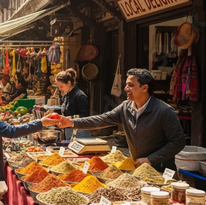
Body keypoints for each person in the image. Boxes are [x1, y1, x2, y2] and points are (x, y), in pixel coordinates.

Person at [55, 68, 186, 171]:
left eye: (130, 85)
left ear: (144, 88)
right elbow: (102, 119)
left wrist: (151, 159)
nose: (125, 88)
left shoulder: (164, 111)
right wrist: (72, 122)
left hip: (161, 170)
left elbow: (178, 142)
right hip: (137, 167)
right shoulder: (126, 107)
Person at [55, 69, 91, 139]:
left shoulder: (80, 96)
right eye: (58, 87)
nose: (59, 89)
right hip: (68, 131)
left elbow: (86, 117)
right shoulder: (65, 96)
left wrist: (71, 118)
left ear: (68, 83)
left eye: (61, 86)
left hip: (80, 132)